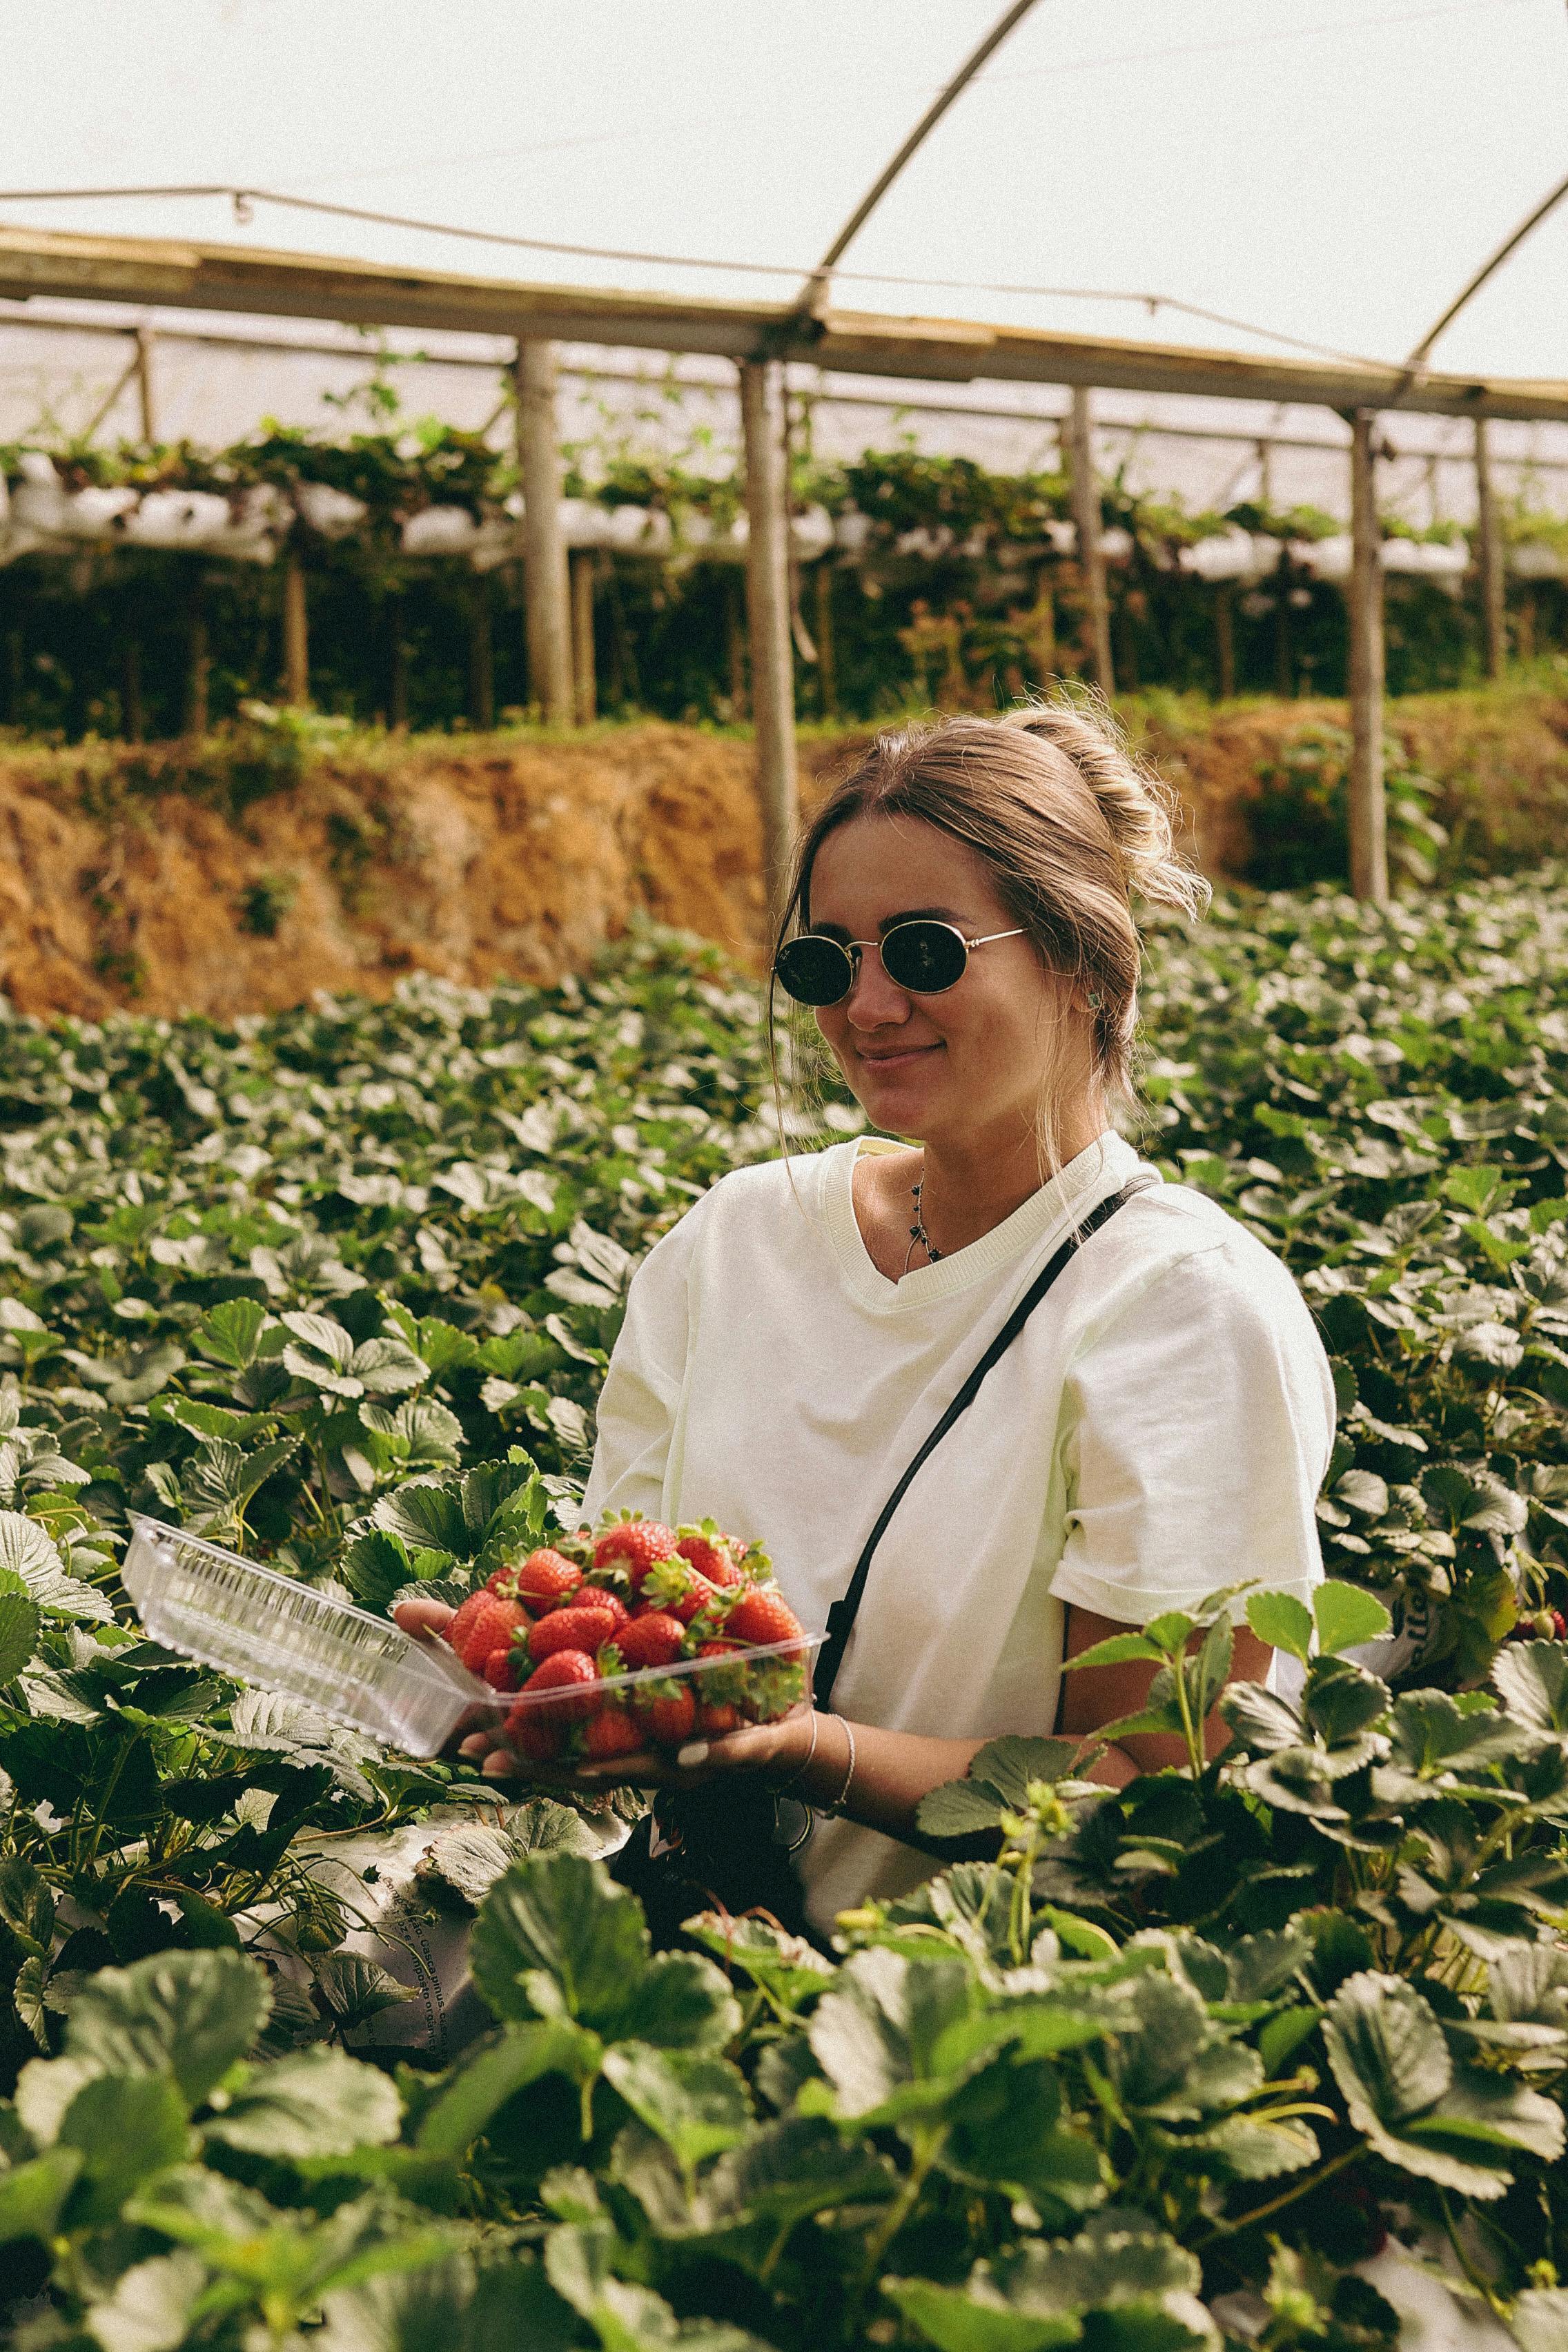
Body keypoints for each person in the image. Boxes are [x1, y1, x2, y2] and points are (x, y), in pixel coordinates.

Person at [399, 702, 1335, 1941]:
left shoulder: (1181, 1313)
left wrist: (805, 1753)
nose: (870, 1006)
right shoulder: (734, 1244)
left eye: (927, 952)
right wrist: (536, 1677)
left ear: (1082, 957)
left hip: (980, 2023)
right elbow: (641, 1621)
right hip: (686, 1960)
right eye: (826, 963)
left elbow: (1148, 1796)